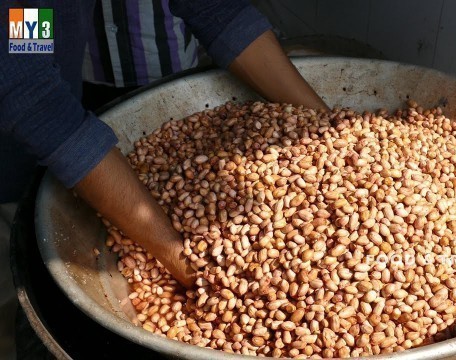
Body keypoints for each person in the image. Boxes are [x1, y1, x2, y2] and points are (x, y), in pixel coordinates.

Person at [0, 1, 328, 358]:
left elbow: (216, 11)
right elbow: (29, 85)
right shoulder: (27, 18)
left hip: (53, 92)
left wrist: (331, 133)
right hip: (13, 149)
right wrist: (178, 255)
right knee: (18, 261)